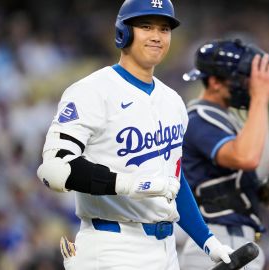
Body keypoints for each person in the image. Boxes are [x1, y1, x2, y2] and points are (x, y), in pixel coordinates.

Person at [36, 1, 234, 269]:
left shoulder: (174, 101)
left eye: (164, 29)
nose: (156, 36)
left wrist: (208, 241)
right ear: (124, 33)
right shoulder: (91, 91)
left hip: (166, 250)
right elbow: (54, 170)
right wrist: (132, 184)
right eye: (146, 26)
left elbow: (174, 182)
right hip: (112, 245)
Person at [179, 39, 269, 270]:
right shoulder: (199, 118)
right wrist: (261, 97)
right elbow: (246, 157)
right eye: (242, 80)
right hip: (221, 241)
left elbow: (227, 181)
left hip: (227, 241)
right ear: (215, 82)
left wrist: (265, 191)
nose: (248, 86)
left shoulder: (222, 118)